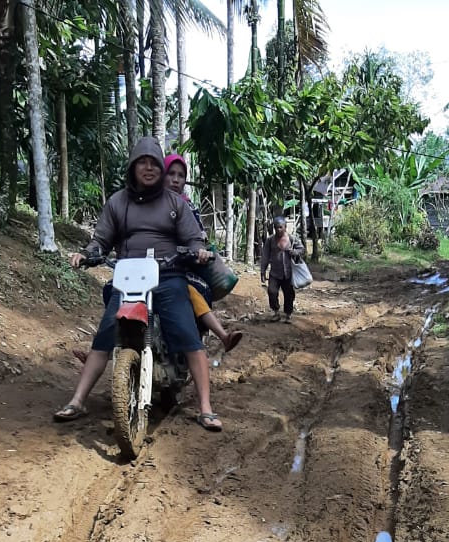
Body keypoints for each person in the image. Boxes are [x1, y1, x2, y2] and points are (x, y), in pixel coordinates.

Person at [54, 136, 223, 432]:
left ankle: (206, 408)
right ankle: (78, 399)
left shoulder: (175, 204)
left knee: (187, 334)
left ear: (160, 167)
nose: (148, 168)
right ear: (132, 167)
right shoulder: (118, 202)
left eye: (153, 163)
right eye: (141, 162)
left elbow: (194, 238)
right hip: (128, 276)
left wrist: (198, 250)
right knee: (106, 333)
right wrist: (88, 254)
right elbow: (101, 240)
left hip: (168, 276)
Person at [163, 153, 242, 355]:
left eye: (180, 175)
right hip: (149, 266)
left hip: (179, 266)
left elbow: (198, 237)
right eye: (170, 173)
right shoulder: (149, 204)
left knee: (193, 291)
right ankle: (101, 349)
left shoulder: (188, 207)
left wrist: (200, 251)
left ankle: (218, 337)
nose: (175, 179)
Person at [260, 215, 304, 323]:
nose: (278, 230)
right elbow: (265, 255)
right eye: (276, 228)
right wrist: (262, 270)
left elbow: (301, 248)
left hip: (288, 273)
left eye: (280, 227)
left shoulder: (292, 239)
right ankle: (275, 312)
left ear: (285, 227)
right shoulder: (270, 240)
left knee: (289, 294)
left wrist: (295, 252)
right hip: (275, 273)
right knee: (272, 291)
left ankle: (288, 314)